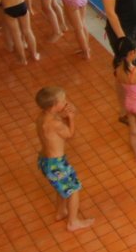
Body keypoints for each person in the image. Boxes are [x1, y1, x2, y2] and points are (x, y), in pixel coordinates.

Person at [35, 87, 93, 232]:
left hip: (45, 160)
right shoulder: (55, 123)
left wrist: (64, 116)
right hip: (57, 164)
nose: (66, 102)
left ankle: (61, 212)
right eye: (63, 100)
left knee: (61, 187)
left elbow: (57, 125)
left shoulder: (42, 117)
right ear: (54, 105)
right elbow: (69, 135)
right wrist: (71, 118)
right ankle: (73, 222)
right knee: (74, 190)